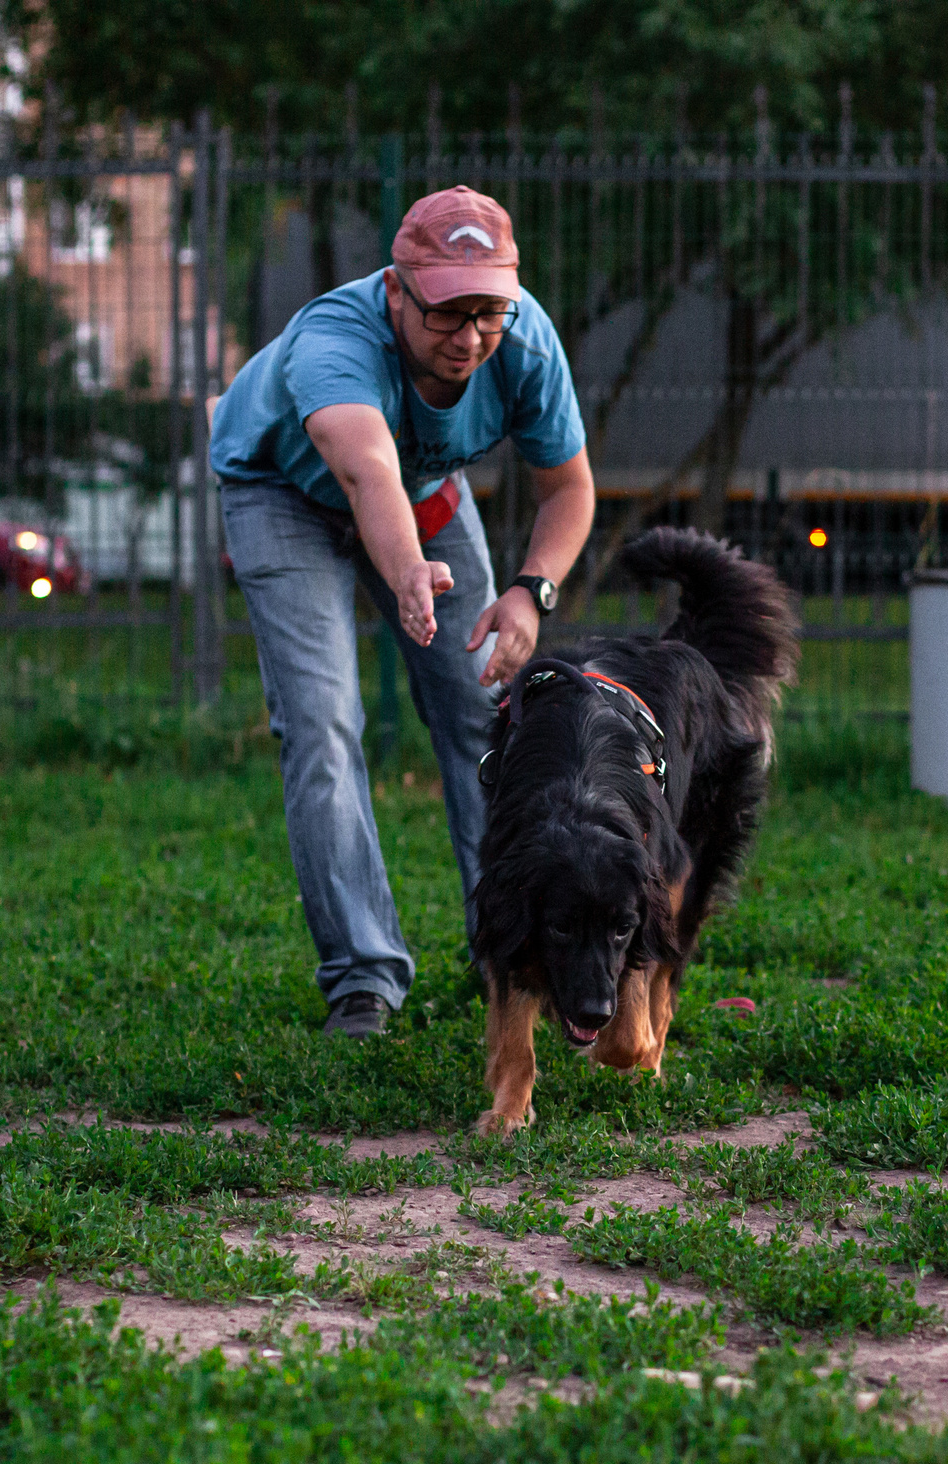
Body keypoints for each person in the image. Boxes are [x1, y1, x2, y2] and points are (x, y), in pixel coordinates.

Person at [211, 186, 594, 1038]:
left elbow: (569, 489)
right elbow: (365, 472)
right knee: (322, 721)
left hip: (423, 489)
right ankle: (363, 976)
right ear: (396, 290)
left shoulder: (522, 338)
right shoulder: (334, 340)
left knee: (482, 705)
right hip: (285, 493)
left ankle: (508, 946)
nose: (468, 337)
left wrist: (531, 592)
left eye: (487, 313)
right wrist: (406, 572)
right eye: (447, 314)